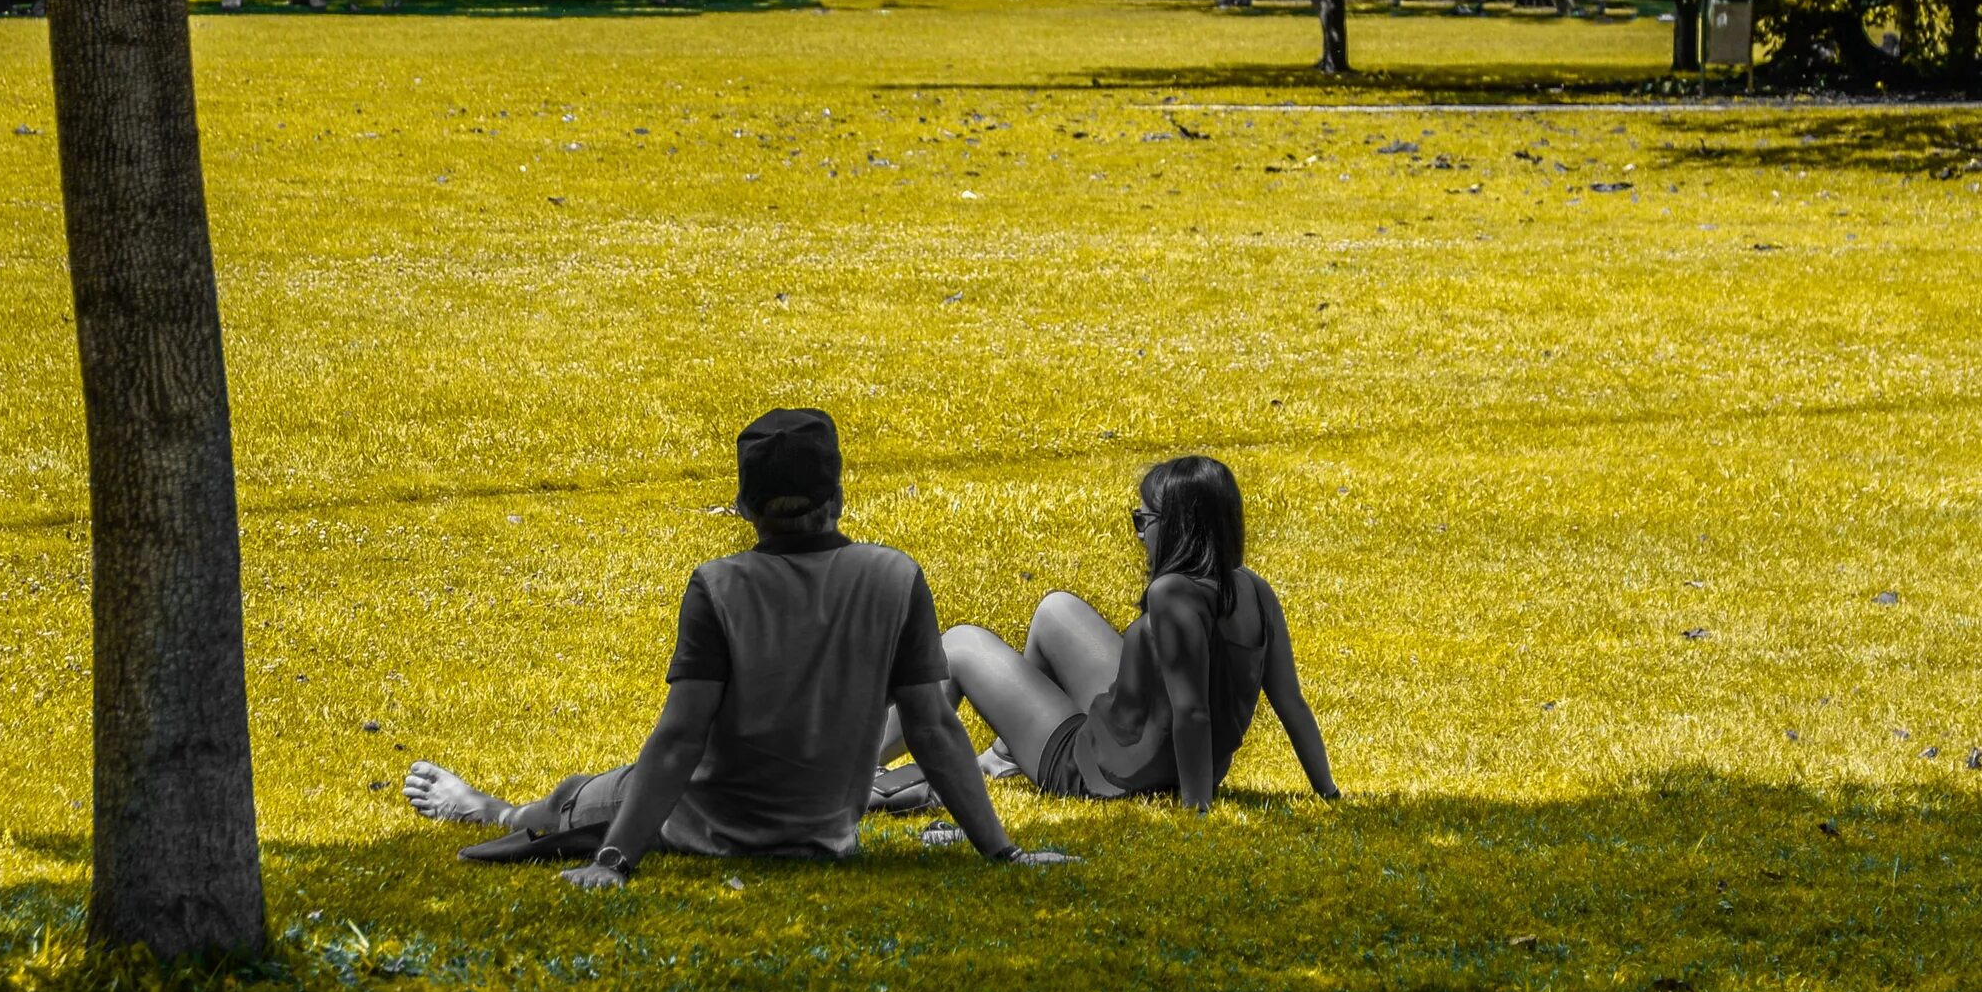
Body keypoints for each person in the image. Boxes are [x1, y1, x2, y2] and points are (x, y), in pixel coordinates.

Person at [404, 408, 1073, 886]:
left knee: (574, 799)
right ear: (838, 495)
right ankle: (518, 814)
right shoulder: (893, 578)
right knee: (602, 795)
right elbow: (933, 729)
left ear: (744, 506)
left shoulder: (721, 585)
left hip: (707, 827)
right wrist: (1002, 853)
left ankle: (491, 811)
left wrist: (614, 863)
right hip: (822, 837)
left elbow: (679, 739)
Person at [904, 455, 1340, 813]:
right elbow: (1292, 704)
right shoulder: (1255, 591)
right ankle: (1006, 755)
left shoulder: (1172, 594)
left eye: (1143, 519)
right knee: (1056, 610)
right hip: (1156, 750)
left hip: (1098, 770)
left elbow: (1193, 712)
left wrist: (1197, 810)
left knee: (958, 645)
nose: (1138, 533)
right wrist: (1328, 792)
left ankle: (857, 764)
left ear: (1176, 528)